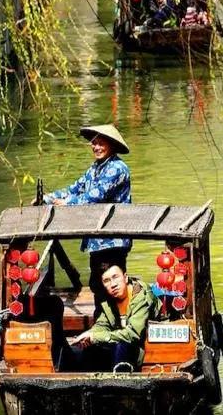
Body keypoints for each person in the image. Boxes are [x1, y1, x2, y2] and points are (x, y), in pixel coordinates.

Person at [43, 124, 132, 319]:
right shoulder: (94, 169)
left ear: (112, 145)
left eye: (101, 143)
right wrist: (47, 198)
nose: (97, 147)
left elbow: (94, 196)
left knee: (111, 287)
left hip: (112, 240)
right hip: (96, 240)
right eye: (94, 143)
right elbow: (74, 190)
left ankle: (115, 330)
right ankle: (104, 328)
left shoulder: (117, 168)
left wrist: (66, 203)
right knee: (98, 286)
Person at [70, 256, 160, 372]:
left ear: (125, 278)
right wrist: (90, 334)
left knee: (121, 346)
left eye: (115, 277)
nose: (113, 284)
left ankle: (120, 383)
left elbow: (133, 334)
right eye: (107, 281)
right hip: (119, 346)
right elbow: (102, 324)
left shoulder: (141, 296)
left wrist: (96, 337)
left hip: (143, 349)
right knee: (84, 351)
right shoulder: (108, 300)